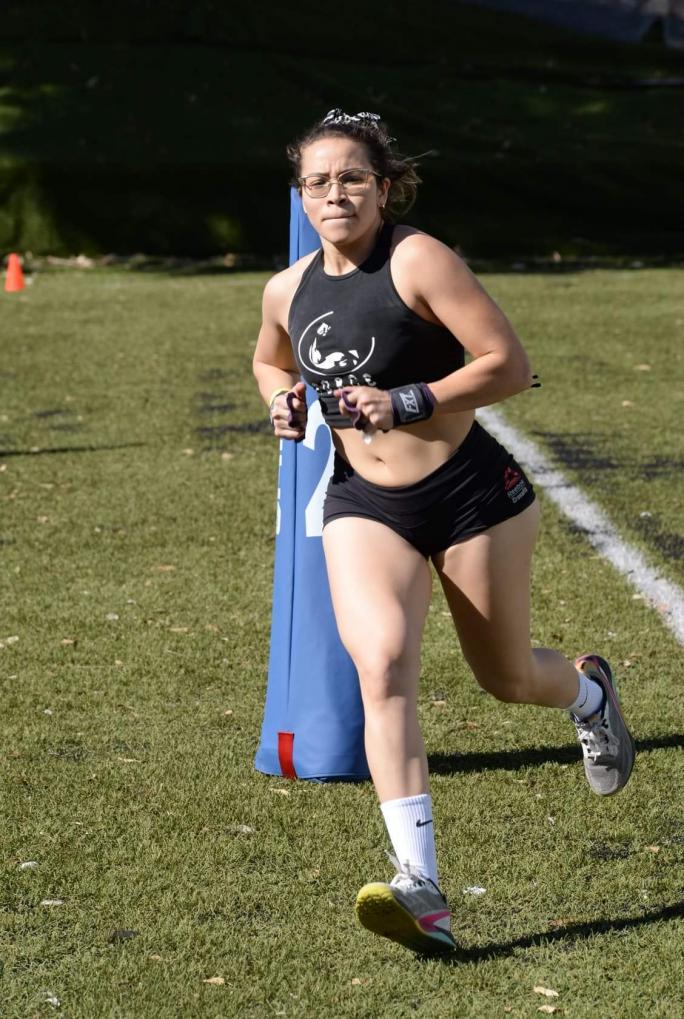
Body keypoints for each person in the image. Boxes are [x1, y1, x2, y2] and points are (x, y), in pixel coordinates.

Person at [252, 108, 635, 956]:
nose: (334, 194)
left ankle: (588, 694)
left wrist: (408, 400)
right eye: (317, 182)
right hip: (364, 502)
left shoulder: (417, 259)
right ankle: (419, 884)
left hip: (470, 496)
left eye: (352, 178)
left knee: (506, 676)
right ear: (301, 195)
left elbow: (509, 364)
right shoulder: (287, 287)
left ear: (384, 186)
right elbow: (270, 356)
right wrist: (280, 398)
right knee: (382, 664)